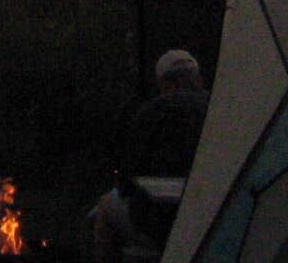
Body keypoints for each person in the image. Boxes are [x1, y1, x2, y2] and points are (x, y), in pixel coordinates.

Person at [89, 48, 210, 263]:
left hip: (157, 223)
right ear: (198, 78)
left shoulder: (152, 112)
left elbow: (127, 180)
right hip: (209, 213)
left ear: (163, 83)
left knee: (105, 207)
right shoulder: (219, 108)